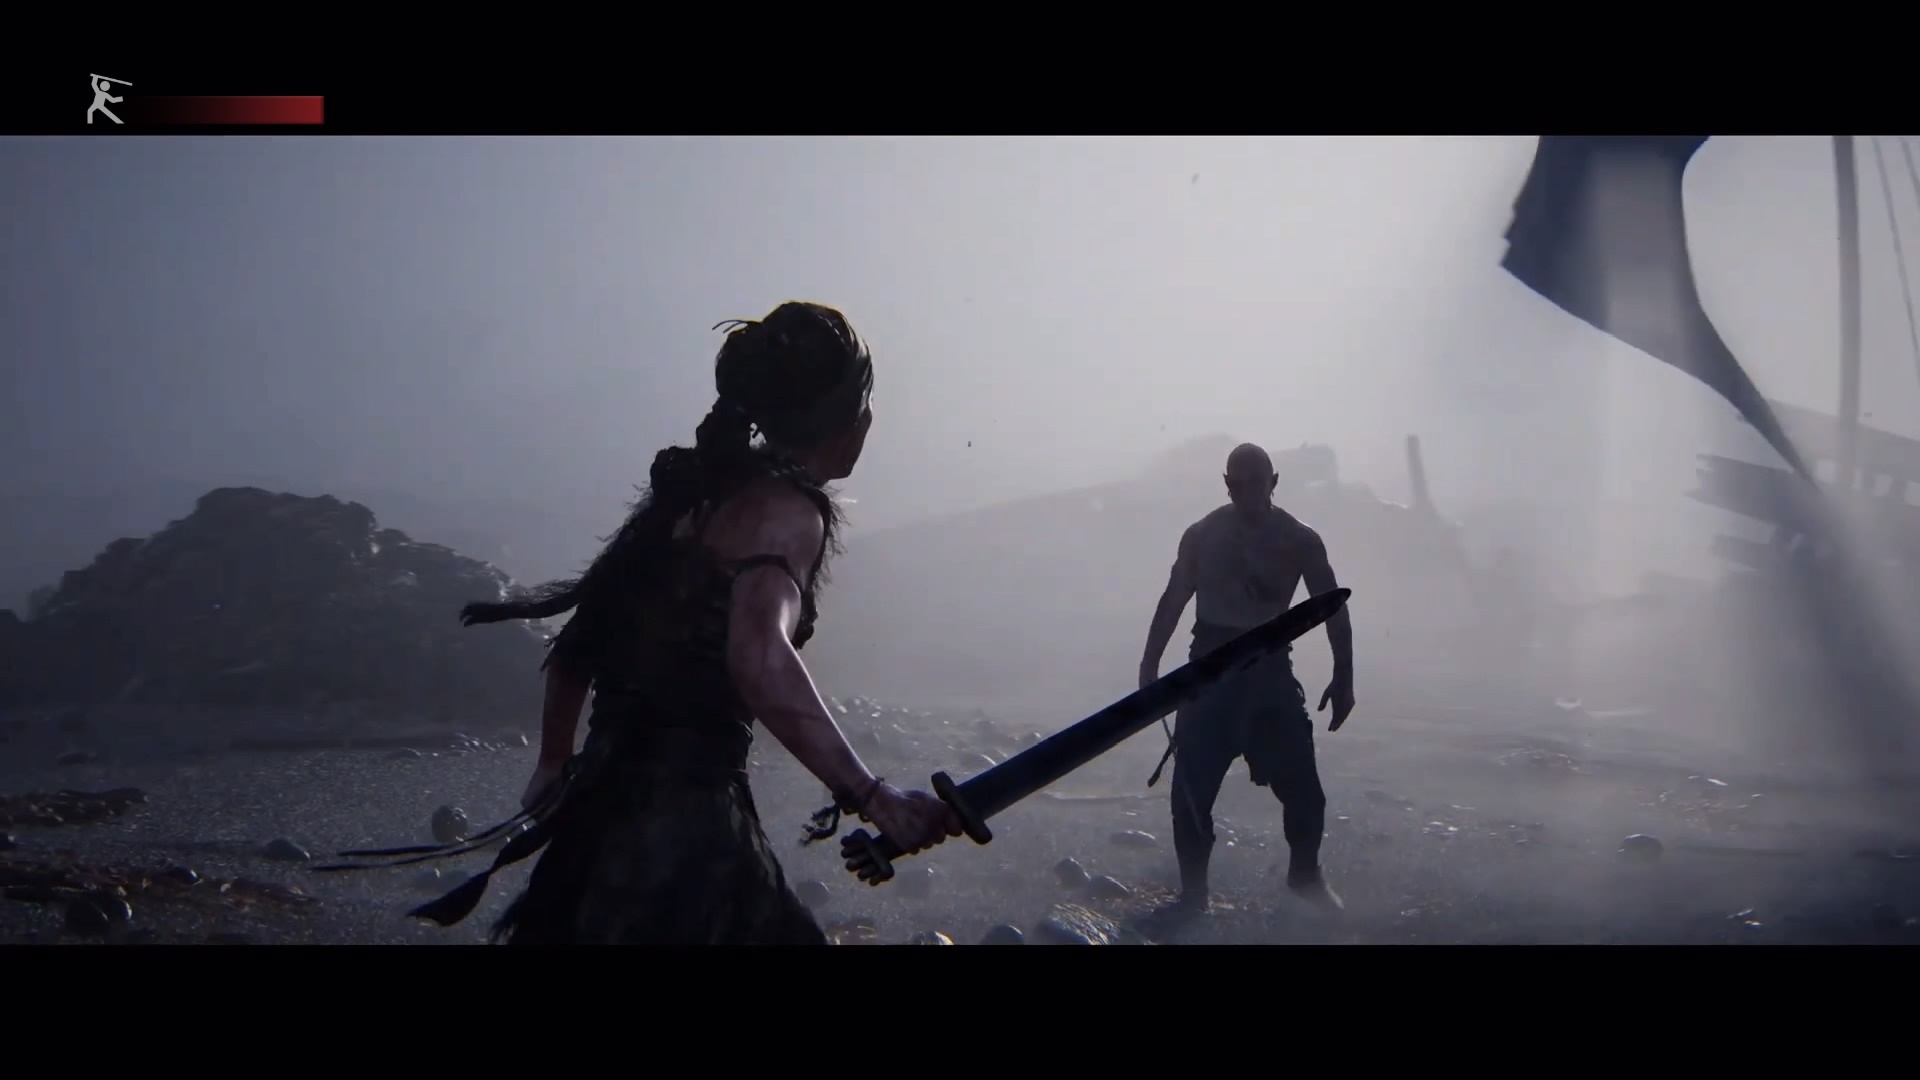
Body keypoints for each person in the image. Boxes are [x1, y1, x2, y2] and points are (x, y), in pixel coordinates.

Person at [349, 302, 960, 944]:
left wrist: (554, 761)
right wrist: (873, 795)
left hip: (597, 815)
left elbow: (583, 638)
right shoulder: (785, 514)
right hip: (687, 830)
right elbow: (759, 656)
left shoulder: (694, 495)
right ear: (846, 418)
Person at [1138, 442, 1355, 915]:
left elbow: (1331, 607)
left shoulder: (1300, 540)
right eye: (1238, 485)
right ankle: (1194, 895)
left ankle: (1305, 875)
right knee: (1190, 798)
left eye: (1257, 483)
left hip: (1270, 676)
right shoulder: (1201, 536)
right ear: (1227, 485)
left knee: (1306, 795)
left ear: (1274, 483)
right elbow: (1173, 599)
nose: (1248, 494)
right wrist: (1149, 668)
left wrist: (1344, 676)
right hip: (1208, 676)